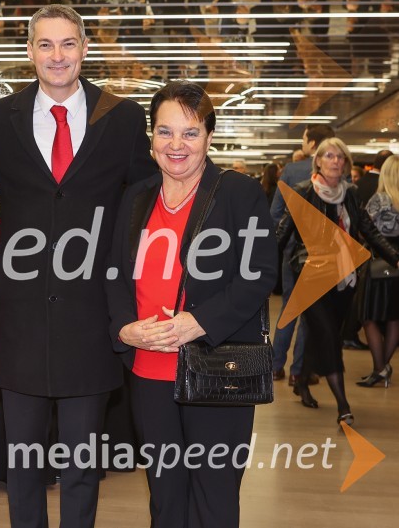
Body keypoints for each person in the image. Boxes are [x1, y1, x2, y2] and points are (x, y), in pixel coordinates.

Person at [0, 4, 155, 528]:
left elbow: (143, 200)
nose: (58, 56)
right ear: (30, 52)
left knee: (82, 468)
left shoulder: (120, 116)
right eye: (46, 45)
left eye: (69, 43)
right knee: (23, 465)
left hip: (91, 319)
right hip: (21, 319)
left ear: (84, 48)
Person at [106, 80, 277, 528]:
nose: (176, 144)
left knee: (214, 497)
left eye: (190, 132)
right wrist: (124, 327)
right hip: (149, 372)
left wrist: (198, 322)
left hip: (216, 370)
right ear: (151, 140)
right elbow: (113, 272)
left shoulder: (238, 193)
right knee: (164, 496)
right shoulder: (136, 196)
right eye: (165, 132)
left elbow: (258, 273)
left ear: (209, 137)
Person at [278, 137, 399, 425]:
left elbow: (369, 230)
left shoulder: (351, 194)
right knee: (329, 336)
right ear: (317, 161)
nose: (335, 161)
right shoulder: (304, 192)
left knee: (323, 332)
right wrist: (256, 269)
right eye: (329, 156)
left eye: (340, 157)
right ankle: (343, 406)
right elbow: (282, 233)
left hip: (344, 279)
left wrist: (395, 258)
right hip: (311, 276)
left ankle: (302, 381)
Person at [269, 125, 335, 385]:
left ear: (312, 142)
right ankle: (300, 371)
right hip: (325, 254)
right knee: (313, 313)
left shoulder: (292, 170)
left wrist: (279, 245)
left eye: (304, 138)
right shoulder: (339, 174)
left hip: (293, 251)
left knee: (290, 307)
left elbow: (275, 213)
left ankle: (275, 366)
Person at [357, 155, 399, 387]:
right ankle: (383, 367)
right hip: (398, 265)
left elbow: (366, 231)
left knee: (368, 317)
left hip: (378, 264)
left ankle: (379, 367)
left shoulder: (379, 200)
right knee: (394, 319)